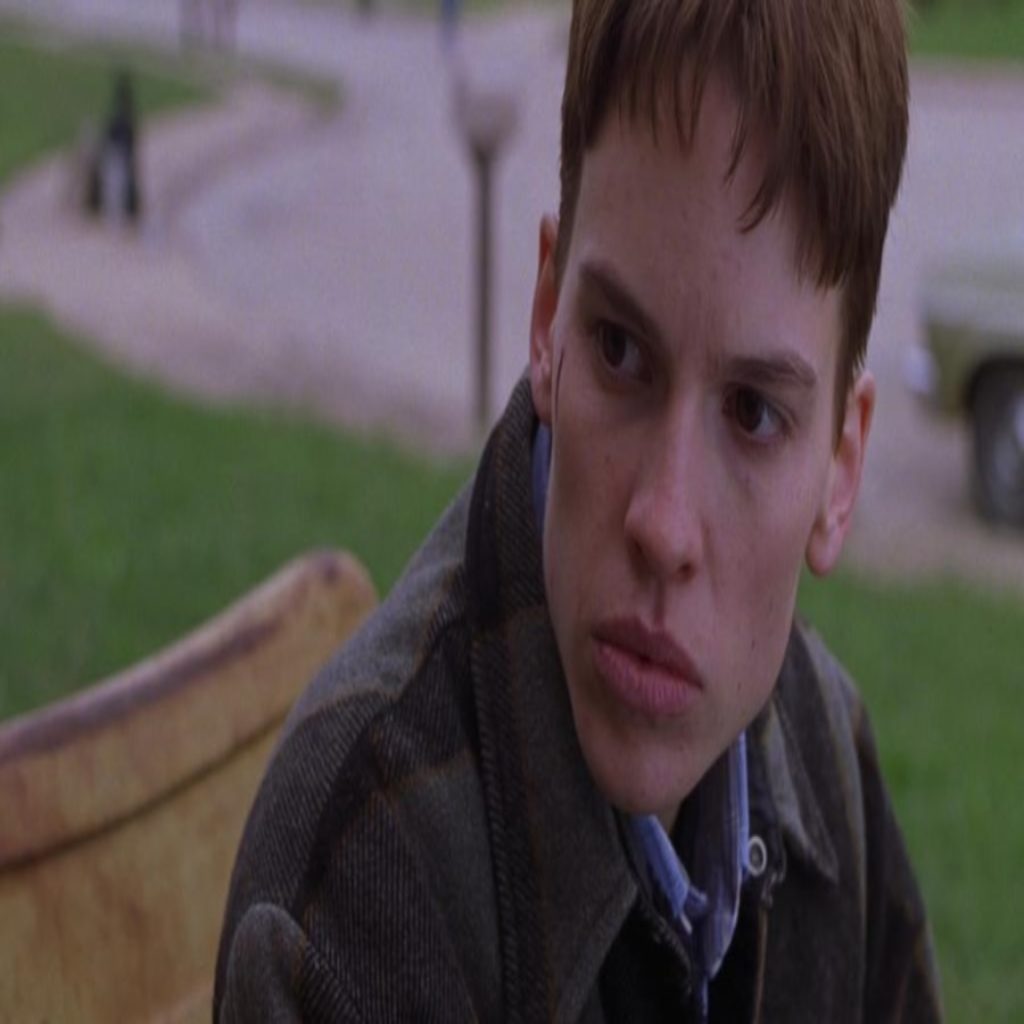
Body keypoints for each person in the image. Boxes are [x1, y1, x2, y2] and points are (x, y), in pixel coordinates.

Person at [214, 1, 943, 1020]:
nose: (663, 524)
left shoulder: (827, 760)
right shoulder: (359, 897)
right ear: (547, 318)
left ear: (841, 468)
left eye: (752, 412)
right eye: (620, 350)